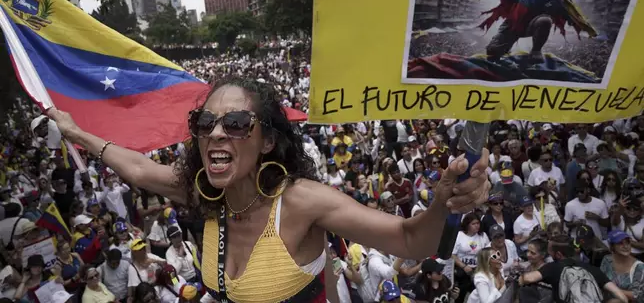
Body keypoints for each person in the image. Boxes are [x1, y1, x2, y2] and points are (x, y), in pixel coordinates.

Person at [49, 77, 490, 302]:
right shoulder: (201, 192)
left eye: (237, 123)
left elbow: (413, 239)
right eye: (207, 123)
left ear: (268, 141)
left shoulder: (301, 202)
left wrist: (443, 203)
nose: (218, 133)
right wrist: (77, 132)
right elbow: (140, 170)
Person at [519, 235, 627, 303]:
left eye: (550, 252)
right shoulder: (593, 269)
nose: (549, 255)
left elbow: (528, 278)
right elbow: (622, 297)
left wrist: (521, 277)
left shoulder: (553, 267)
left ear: (558, 254)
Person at [452, 213, 490, 303]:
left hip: (478, 269)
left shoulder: (483, 236)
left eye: (478, 223)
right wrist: (464, 266)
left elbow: (488, 252)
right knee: (460, 294)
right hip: (462, 269)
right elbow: (452, 254)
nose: (477, 226)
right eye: (473, 224)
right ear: (467, 225)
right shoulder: (459, 236)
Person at [600, 230, 644, 302]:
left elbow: (637, 295)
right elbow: (601, 280)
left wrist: (613, 290)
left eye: (628, 242)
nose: (625, 246)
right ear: (612, 246)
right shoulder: (607, 260)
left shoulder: (639, 267)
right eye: (620, 243)